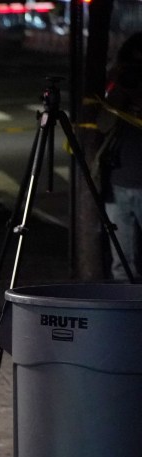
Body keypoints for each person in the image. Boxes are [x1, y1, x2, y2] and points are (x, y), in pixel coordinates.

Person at [99, 32, 142, 283]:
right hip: (118, 184)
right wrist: (116, 83)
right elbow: (102, 124)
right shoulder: (116, 90)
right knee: (122, 264)